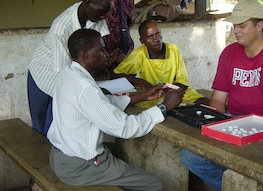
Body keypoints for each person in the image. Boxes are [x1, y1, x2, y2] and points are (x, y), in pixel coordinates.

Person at [180, 0, 263, 191]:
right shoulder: (229, 53)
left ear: (259, 26)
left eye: (242, 26)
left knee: (245, 166)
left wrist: (236, 129)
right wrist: (217, 122)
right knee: (189, 156)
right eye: (234, 25)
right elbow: (218, 99)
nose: (236, 31)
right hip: (232, 122)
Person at [47, 28, 184, 190]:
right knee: (154, 184)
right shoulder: (85, 87)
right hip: (81, 167)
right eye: (100, 50)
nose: (105, 54)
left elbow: (101, 103)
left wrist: (144, 96)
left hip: (59, 156)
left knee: (121, 151)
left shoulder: (68, 73)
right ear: (85, 54)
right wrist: (163, 107)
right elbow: (123, 128)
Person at [27, 0, 113, 136]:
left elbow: (96, 49)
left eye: (106, 12)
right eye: (102, 12)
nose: (104, 17)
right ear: (88, 3)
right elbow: (64, 75)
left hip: (65, 74)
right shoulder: (61, 27)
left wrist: (101, 68)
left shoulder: (98, 16)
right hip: (43, 74)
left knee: (57, 127)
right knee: (41, 129)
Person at [113, 19, 209, 107]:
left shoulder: (173, 50)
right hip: (152, 96)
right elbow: (117, 74)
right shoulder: (139, 54)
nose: (156, 40)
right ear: (142, 41)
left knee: (205, 102)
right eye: (150, 37)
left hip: (175, 92)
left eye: (157, 34)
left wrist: (171, 90)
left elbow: (182, 80)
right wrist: (140, 81)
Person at [95, 0, 135, 79]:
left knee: (125, 81)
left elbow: (130, 23)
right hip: (105, 50)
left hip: (123, 50)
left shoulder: (127, 1)